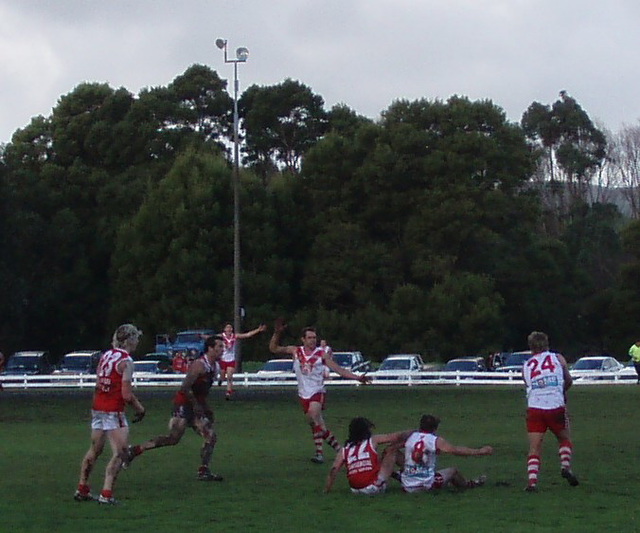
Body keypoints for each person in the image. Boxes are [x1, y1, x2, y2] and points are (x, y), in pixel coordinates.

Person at [124, 335, 224, 481]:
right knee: (173, 439)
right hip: (183, 404)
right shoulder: (199, 365)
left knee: (210, 436)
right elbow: (185, 387)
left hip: (195, 406)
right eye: (220, 346)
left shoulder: (215, 366)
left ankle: (204, 470)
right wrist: (196, 406)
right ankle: (135, 450)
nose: (222, 350)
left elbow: (202, 392)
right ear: (210, 348)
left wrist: (206, 408)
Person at [269, 319, 370, 464]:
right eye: (309, 338)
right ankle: (334, 452)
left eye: (314, 337)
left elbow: (338, 369)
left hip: (317, 391)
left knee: (312, 415)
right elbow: (273, 348)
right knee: (317, 425)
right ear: (303, 339)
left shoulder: (321, 354)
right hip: (303, 393)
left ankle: (337, 452)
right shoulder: (296, 351)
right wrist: (276, 333)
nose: (312, 340)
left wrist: (357, 377)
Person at [74, 324, 146, 505]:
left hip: (98, 407)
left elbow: (100, 383)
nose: (137, 341)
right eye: (136, 338)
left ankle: (82, 488)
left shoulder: (106, 355)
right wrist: (139, 408)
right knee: (121, 453)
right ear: (130, 339)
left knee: (94, 450)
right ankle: (106, 494)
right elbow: (126, 395)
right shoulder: (127, 362)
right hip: (113, 410)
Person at [522, 331, 579, 492]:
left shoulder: (526, 365)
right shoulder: (558, 358)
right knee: (564, 438)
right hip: (555, 405)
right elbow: (568, 380)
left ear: (531, 347)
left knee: (534, 447)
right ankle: (565, 466)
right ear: (547, 344)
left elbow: (529, 385)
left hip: (534, 407)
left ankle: (532, 482)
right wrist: (561, 392)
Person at [400, 414, 492, 493]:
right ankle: (468, 485)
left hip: (406, 485)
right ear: (435, 428)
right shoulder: (434, 440)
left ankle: (396, 476)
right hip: (425, 484)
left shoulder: (411, 436)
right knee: (453, 471)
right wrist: (479, 451)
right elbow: (454, 450)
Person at [324, 417, 411, 494]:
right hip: (372, 487)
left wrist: (326, 490)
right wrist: (416, 432)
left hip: (355, 490)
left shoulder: (345, 449)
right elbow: (395, 437)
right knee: (391, 450)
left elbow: (333, 470)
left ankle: (398, 476)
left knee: (378, 459)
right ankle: (412, 475)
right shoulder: (372, 441)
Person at [219, 322, 267, 400]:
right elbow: (211, 337)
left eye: (230, 327)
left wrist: (258, 330)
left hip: (231, 359)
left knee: (230, 377)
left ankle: (228, 393)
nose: (229, 329)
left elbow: (247, 335)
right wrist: (202, 336)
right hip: (223, 359)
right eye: (227, 327)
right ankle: (221, 380)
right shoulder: (221, 336)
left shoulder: (234, 336)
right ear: (224, 329)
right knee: (222, 376)